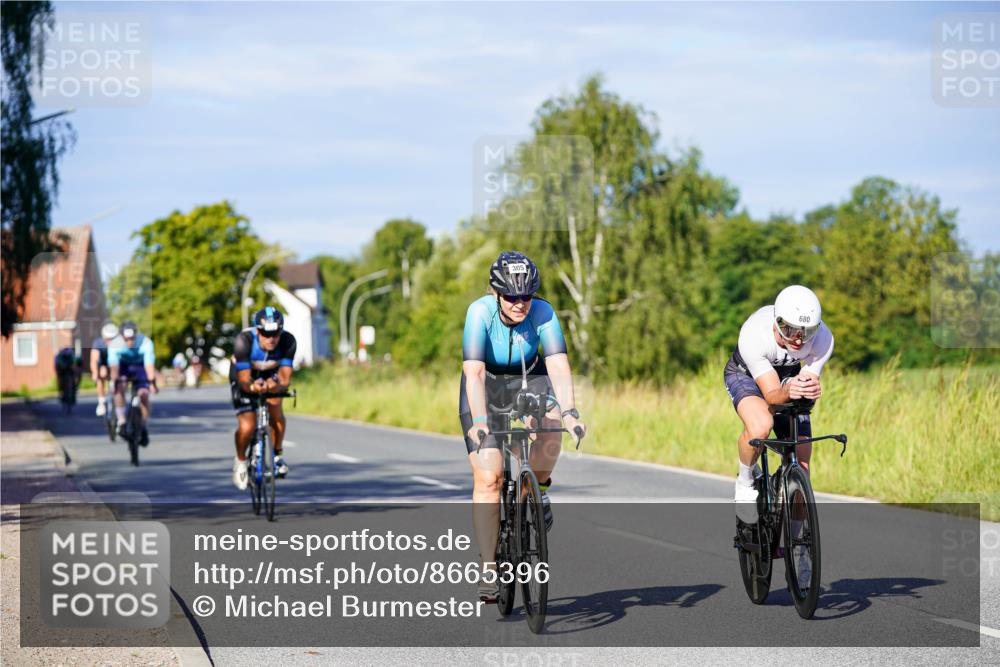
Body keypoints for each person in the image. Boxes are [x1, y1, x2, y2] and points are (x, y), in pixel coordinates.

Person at [460, 251, 586, 603]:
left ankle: (539, 489)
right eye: (512, 297)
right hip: (485, 387)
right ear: (495, 293)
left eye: (526, 296)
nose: (520, 304)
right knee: (489, 477)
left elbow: (558, 364)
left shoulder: (543, 312)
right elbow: (474, 373)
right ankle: (488, 569)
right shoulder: (479, 313)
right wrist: (481, 423)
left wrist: (572, 412)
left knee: (552, 424)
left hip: (530, 380)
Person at [724, 285, 834, 587]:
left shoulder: (824, 339)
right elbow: (772, 395)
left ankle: (800, 548)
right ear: (777, 321)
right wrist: (789, 390)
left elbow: (806, 383)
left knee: (803, 462)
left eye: (806, 331)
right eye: (790, 329)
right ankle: (745, 482)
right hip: (747, 376)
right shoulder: (754, 334)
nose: (799, 338)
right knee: (761, 426)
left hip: (786, 379)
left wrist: (808, 390)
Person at [229, 307, 297, 490]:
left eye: (275, 333)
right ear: (257, 330)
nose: (271, 338)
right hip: (245, 376)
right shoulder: (244, 341)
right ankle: (241, 461)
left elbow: (285, 378)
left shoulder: (288, 341)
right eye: (266, 334)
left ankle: (277, 455)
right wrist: (252, 386)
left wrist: (272, 386)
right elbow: (243, 379)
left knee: (276, 412)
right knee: (247, 425)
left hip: (271, 376)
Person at [109, 321, 158, 444]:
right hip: (123, 366)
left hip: (140, 367)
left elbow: (149, 365)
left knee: (144, 394)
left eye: (132, 338)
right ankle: (121, 421)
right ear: (121, 337)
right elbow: (114, 368)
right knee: (119, 386)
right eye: (126, 339)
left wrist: (151, 382)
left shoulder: (145, 342)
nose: (130, 342)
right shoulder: (115, 344)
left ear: (136, 335)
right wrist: (115, 383)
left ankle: (144, 426)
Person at [90, 322, 120, 416]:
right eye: (108, 339)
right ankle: (101, 402)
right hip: (103, 362)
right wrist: (95, 373)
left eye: (113, 339)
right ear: (103, 337)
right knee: (101, 375)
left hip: (115, 363)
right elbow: (94, 360)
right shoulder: (98, 343)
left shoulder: (120, 344)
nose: (110, 341)